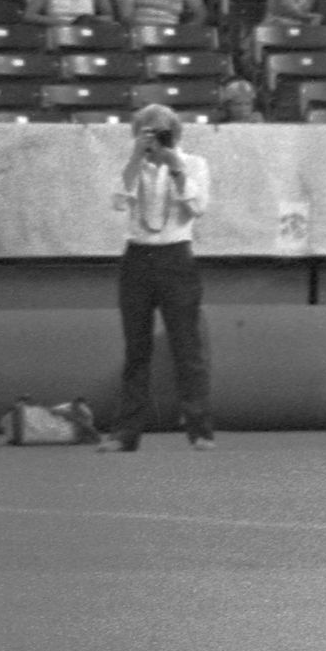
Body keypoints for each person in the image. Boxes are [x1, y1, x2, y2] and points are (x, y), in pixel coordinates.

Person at [100, 104, 214, 453]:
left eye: (162, 132)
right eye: (146, 132)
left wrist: (175, 167)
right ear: (137, 135)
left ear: (175, 134)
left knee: (187, 347)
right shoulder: (133, 166)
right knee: (136, 349)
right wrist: (136, 159)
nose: (154, 139)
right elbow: (118, 202)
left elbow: (198, 207)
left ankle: (200, 431)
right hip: (137, 257)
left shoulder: (194, 163)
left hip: (176, 256)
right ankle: (125, 433)